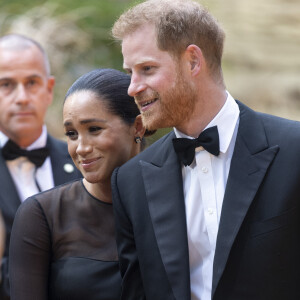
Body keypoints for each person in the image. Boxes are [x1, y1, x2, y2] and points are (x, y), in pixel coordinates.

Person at [110, 0, 300, 299]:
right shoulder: (131, 181)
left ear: (193, 62)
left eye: (147, 69)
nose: (132, 87)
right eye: (130, 72)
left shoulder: (294, 150)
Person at [9, 68, 146, 300]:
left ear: (138, 127)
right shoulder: (42, 215)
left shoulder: (172, 200)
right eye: (72, 134)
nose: (81, 148)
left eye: (94, 129)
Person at [0, 34, 82, 299]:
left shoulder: (84, 162)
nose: (22, 97)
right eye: (7, 84)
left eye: (32, 83)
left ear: (49, 89)